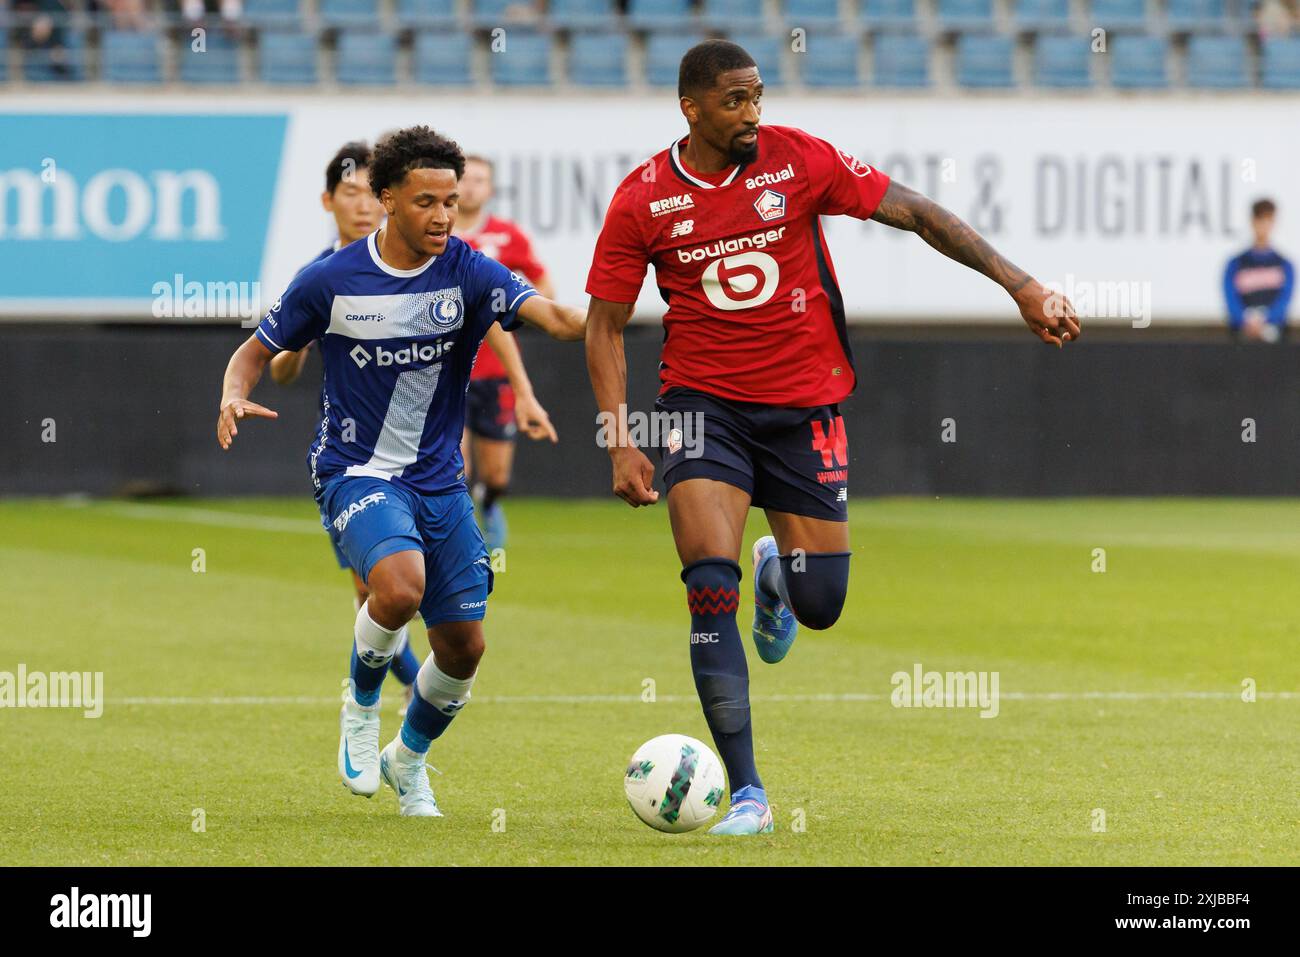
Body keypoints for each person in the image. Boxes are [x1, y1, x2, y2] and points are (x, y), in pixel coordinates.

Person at [583, 40, 1079, 836]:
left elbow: (918, 213)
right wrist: (619, 438)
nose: (753, 113)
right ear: (692, 108)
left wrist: (1020, 284)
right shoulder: (642, 197)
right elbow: (603, 325)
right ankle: (748, 792)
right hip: (699, 406)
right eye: (736, 101)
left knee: (822, 606)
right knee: (708, 586)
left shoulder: (798, 160)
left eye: (758, 96)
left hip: (804, 409)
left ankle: (779, 574)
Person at [217, 126, 586, 817]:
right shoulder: (331, 278)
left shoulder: (469, 269)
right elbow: (254, 351)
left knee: (465, 648)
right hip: (355, 472)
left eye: (450, 201)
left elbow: (556, 317)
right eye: (426, 201)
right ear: (387, 199)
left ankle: (408, 759)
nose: (443, 215)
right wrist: (236, 391)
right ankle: (359, 708)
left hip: (439, 482)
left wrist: (611, 312)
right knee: (398, 587)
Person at [270, 142, 556, 714]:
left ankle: (406, 721)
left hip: (431, 455)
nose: (357, 206)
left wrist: (524, 388)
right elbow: (275, 364)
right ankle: (381, 691)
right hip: (357, 457)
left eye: (362, 193)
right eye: (345, 194)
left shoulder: (450, 265)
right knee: (384, 589)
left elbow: (498, 312)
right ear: (331, 201)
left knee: (437, 613)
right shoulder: (323, 276)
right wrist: (293, 348)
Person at [454, 154, 558, 551]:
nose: (471, 187)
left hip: (497, 372)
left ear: (491, 190)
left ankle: (490, 501)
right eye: (466, 179)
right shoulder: (438, 235)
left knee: (496, 476)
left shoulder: (506, 236)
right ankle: (462, 545)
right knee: (454, 468)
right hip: (448, 371)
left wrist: (512, 307)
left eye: (481, 180)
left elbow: (546, 287)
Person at [1224, 198, 1294, 343]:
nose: (1263, 226)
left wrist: (1266, 320)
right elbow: (1231, 299)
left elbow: (1284, 301)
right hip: (1241, 337)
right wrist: (1245, 321)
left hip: (1275, 338)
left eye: (1267, 220)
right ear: (1252, 221)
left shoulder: (1284, 265)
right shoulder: (1236, 264)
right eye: (1259, 219)